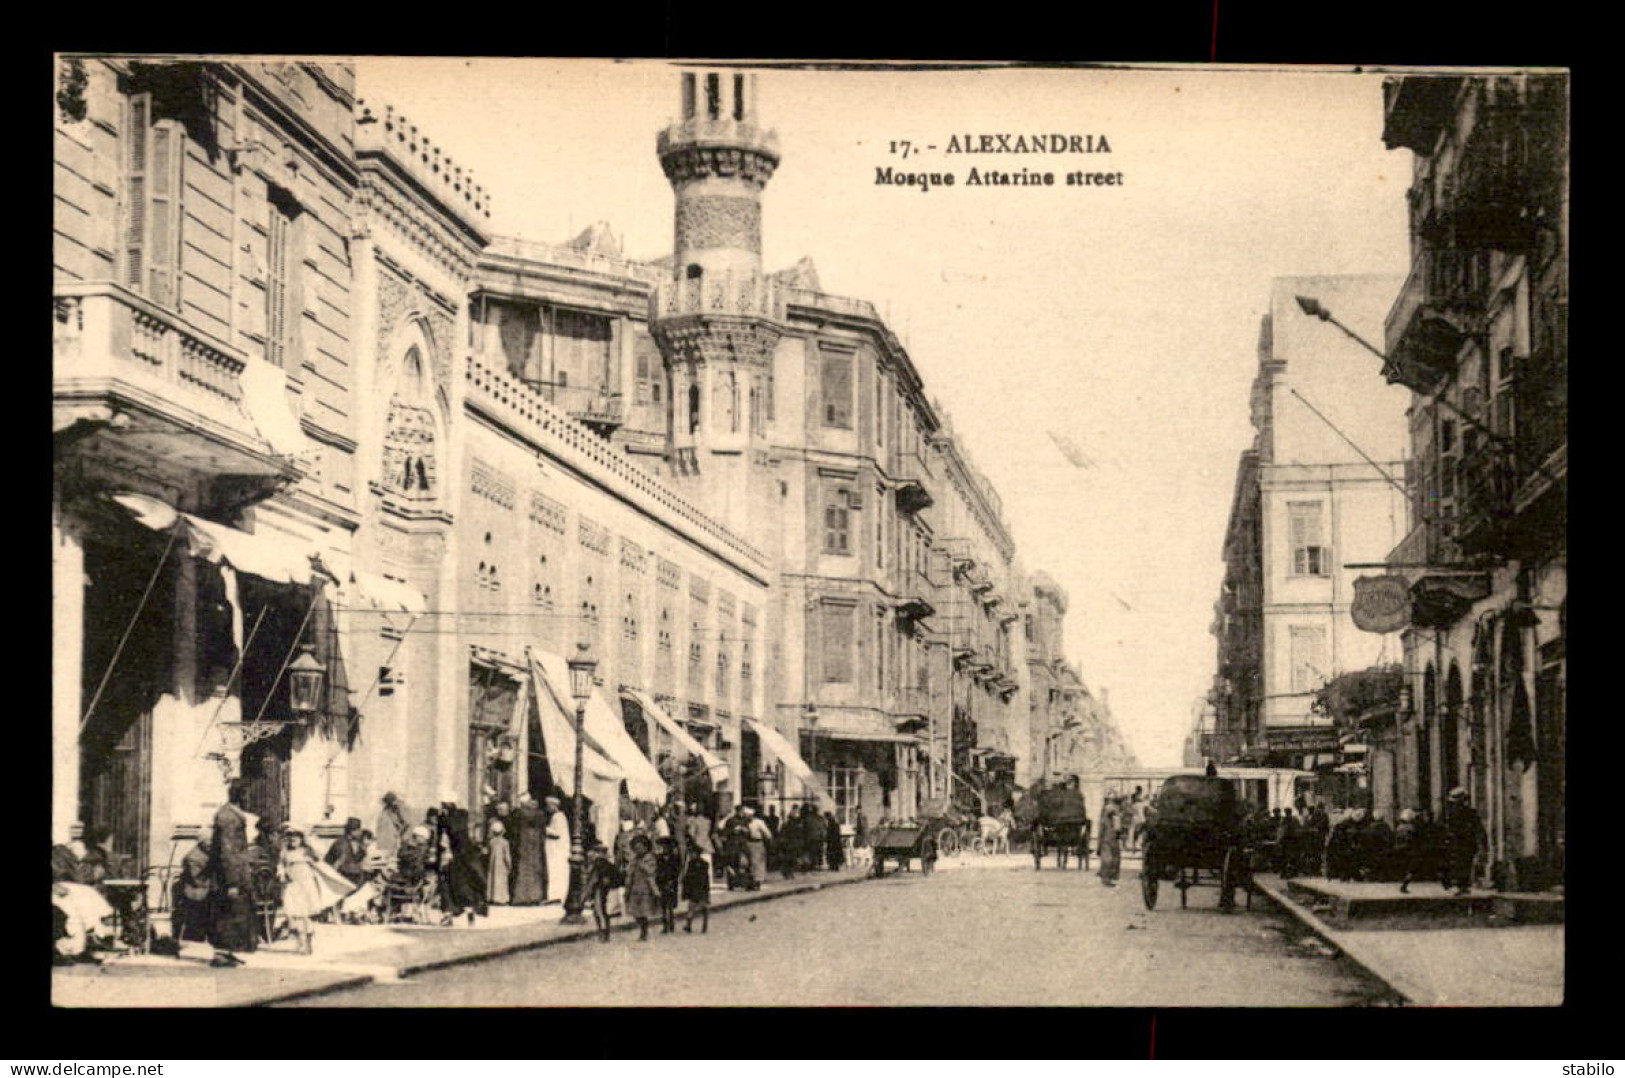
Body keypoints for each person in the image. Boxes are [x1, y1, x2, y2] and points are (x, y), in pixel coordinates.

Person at [207, 780, 257, 967]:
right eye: (246, 794)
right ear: (240, 795)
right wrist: (232, 882)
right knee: (226, 913)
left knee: (234, 913)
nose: (249, 798)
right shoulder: (229, 817)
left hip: (234, 873)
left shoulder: (233, 815)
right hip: (227, 876)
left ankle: (227, 951)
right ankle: (220, 953)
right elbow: (227, 851)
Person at [279, 827, 351, 955]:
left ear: (301, 839)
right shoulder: (285, 852)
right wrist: (282, 873)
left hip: (306, 885)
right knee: (291, 913)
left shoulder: (306, 851)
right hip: (293, 885)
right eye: (290, 837)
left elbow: (319, 859)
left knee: (305, 914)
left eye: (296, 837)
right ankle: (300, 941)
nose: (293, 839)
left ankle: (307, 943)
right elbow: (281, 865)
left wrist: (311, 844)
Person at [435, 799, 489, 926]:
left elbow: (443, 842)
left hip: (453, 860)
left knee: (447, 887)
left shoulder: (446, 822)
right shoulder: (463, 818)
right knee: (466, 887)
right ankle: (470, 913)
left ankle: (448, 915)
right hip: (467, 859)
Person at [173, 827, 215, 946]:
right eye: (210, 841)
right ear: (202, 842)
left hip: (206, 888)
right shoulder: (193, 857)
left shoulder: (208, 854)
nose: (212, 844)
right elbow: (198, 880)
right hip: (196, 891)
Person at [1439, 788, 1485, 895]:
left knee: (1464, 863)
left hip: (1465, 842)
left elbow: (1478, 828)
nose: (1456, 804)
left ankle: (1462, 885)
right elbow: (1440, 827)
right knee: (1454, 863)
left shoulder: (1470, 813)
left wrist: (1481, 842)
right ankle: (1453, 885)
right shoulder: (1447, 813)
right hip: (1453, 842)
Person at [508, 793, 546, 906]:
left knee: (522, 869)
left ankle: (521, 897)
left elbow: (513, 830)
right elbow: (543, 830)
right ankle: (535, 896)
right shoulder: (539, 814)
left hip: (523, 843)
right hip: (535, 843)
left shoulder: (518, 814)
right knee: (535, 869)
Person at [621, 834, 661, 942]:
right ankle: (643, 930)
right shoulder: (633, 860)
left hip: (646, 888)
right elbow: (629, 873)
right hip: (634, 888)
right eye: (636, 848)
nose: (638, 850)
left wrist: (641, 865)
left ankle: (644, 932)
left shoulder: (650, 858)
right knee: (635, 912)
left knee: (643, 912)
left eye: (640, 847)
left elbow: (651, 871)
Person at [583, 843, 622, 942]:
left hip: (601, 891)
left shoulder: (602, 865)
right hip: (599, 890)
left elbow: (598, 880)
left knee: (600, 912)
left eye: (599, 852)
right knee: (599, 912)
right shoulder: (598, 865)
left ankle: (604, 932)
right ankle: (603, 932)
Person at [324, 817, 369, 888]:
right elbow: (340, 864)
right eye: (358, 830)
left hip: (349, 874)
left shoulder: (355, 842)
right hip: (341, 877)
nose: (360, 832)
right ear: (352, 831)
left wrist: (363, 850)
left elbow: (356, 858)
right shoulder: (342, 843)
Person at [542, 796, 572, 904]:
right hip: (557, 850)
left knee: (556, 872)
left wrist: (544, 829)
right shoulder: (559, 816)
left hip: (557, 850)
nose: (547, 808)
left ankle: (556, 895)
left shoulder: (558, 817)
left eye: (548, 806)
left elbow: (556, 833)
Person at [682, 837, 711, 933]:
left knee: (699, 907)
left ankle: (701, 924)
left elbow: (703, 877)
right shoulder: (693, 863)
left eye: (693, 853)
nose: (692, 855)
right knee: (694, 907)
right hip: (697, 888)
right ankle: (691, 925)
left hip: (699, 887)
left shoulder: (700, 864)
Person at [654, 835, 681, 934]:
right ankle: (665, 925)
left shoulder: (674, 858)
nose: (664, 848)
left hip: (671, 882)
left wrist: (672, 880)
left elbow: (677, 870)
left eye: (666, 847)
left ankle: (671, 923)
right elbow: (656, 870)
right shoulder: (659, 858)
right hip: (661, 883)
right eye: (663, 847)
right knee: (663, 906)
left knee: (670, 905)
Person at [374, 792, 412, 860]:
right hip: (386, 841)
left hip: (391, 841)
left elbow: (406, 824)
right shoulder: (386, 813)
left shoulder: (395, 812)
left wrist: (398, 835)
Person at [741, 805, 771, 890]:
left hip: (757, 843)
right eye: (745, 815)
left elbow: (767, 834)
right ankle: (749, 882)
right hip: (746, 843)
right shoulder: (743, 823)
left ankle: (757, 882)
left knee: (756, 863)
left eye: (748, 816)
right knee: (746, 863)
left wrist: (767, 842)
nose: (747, 817)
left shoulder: (759, 823)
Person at [1097, 795, 1122, 887]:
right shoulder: (1115, 814)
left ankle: (1107, 877)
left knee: (1109, 858)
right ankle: (1108, 877)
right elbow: (1118, 830)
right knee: (1111, 858)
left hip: (1108, 838)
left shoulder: (1106, 815)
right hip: (1110, 839)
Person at [486, 819, 512, 906]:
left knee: (493, 879)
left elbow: (487, 852)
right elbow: (507, 856)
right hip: (501, 865)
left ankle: (492, 897)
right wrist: (509, 865)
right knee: (501, 881)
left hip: (492, 863)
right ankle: (501, 899)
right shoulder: (505, 842)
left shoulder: (491, 842)